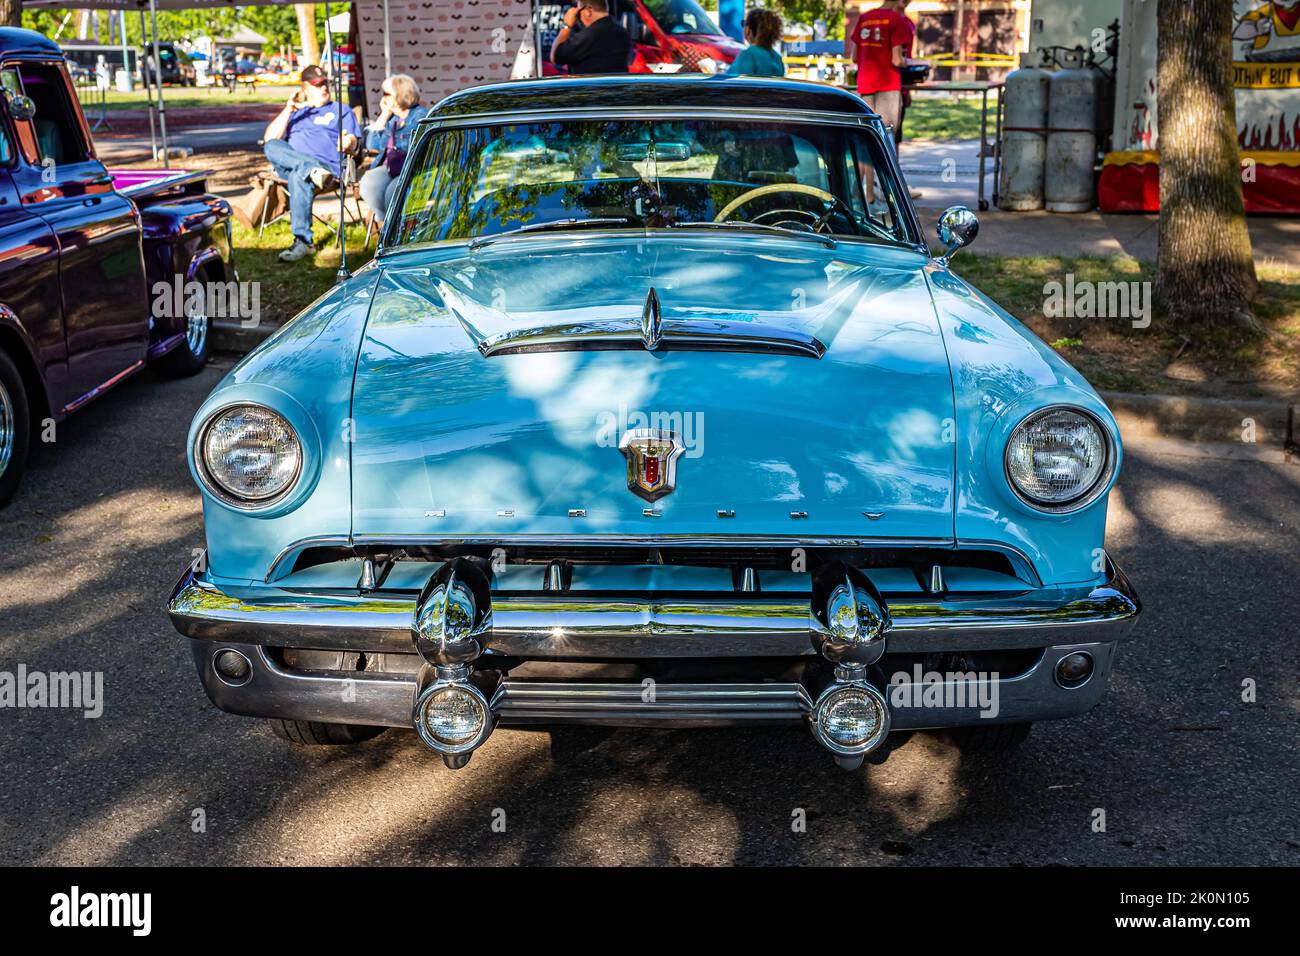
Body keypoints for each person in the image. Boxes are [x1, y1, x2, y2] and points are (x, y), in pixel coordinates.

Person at [262, 64, 362, 262]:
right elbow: (269, 138)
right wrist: (288, 109)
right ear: (305, 88)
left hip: (326, 170)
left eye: (325, 83)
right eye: (318, 85)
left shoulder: (341, 110)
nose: (324, 88)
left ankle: (303, 243)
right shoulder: (297, 113)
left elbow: (353, 141)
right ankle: (310, 169)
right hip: (292, 165)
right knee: (271, 145)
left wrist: (347, 142)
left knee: (298, 176)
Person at [359, 74, 429, 227]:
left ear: (400, 94)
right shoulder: (393, 119)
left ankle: (398, 227)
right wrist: (384, 115)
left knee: (394, 191)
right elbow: (372, 145)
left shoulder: (421, 116)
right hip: (392, 166)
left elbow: (419, 149)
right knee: (368, 183)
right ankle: (386, 225)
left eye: (386, 94)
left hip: (414, 168)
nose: (383, 98)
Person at [845, 0, 911, 142]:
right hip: (888, 86)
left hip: (865, 84)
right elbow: (897, 60)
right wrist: (907, 62)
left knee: (867, 135)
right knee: (887, 136)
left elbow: (855, 57)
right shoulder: (896, 19)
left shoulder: (864, 18)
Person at [552, 0, 632, 75]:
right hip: (616, 85)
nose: (578, 17)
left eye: (578, 12)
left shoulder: (588, 37)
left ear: (588, 11)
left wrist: (566, 25)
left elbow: (555, 56)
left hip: (590, 85)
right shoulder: (622, 32)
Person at [726, 9, 785, 77]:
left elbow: (730, 80)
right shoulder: (777, 58)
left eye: (744, 23)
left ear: (749, 30)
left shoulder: (748, 55)